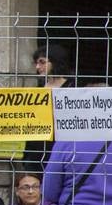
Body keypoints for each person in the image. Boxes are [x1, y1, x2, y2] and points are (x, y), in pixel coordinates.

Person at [20, 42, 73, 175]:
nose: (38, 67)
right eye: (36, 63)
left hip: (60, 149)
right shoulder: (38, 90)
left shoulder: (72, 88)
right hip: (35, 151)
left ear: (55, 61)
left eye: (42, 62)